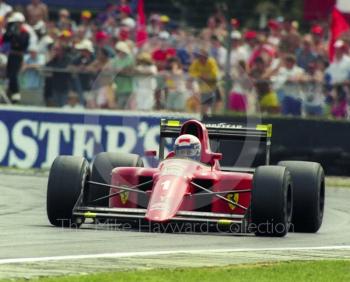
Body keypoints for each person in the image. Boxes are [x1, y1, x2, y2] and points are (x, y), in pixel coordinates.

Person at [3, 12, 30, 103]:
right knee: (8, 74)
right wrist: (9, 30)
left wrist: (16, 35)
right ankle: (9, 92)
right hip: (10, 55)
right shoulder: (11, 31)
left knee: (13, 75)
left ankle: (16, 93)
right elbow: (5, 40)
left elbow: (22, 45)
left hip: (18, 56)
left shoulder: (25, 33)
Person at [189, 48, 220, 115]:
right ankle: (203, 117)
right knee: (204, 105)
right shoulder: (196, 62)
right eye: (199, 56)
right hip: (203, 87)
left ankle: (214, 117)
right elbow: (192, 72)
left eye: (202, 56)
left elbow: (214, 74)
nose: (200, 58)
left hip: (212, 85)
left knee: (216, 103)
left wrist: (206, 76)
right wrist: (200, 75)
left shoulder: (211, 62)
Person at [110, 41, 134, 109]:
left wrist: (120, 71)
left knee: (126, 106)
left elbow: (129, 70)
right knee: (118, 106)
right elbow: (112, 70)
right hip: (117, 86)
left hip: (128, 87)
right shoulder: (115, 60)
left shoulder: (130, 59)